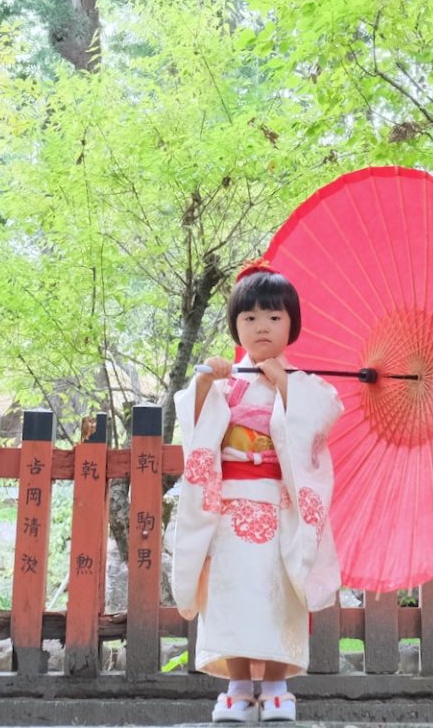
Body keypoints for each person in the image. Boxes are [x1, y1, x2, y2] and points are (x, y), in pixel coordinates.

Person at [170, 261, 342, 722]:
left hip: (280, 508)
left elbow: (320, 418)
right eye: (249, 318)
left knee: (279, 594)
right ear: (235, 326)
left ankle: (277, 685)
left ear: (292, 324)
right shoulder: (227, 380)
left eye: (273, 316)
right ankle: (238, 686)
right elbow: (195, 422)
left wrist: (285, 384)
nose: (261, 326)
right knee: (231, 594)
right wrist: (207, 380)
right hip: (229, 511)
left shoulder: (305, 385)